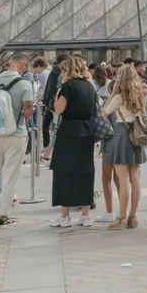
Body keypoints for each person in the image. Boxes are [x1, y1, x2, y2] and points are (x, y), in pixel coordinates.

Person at [0, 53, 35, 228]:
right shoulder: (25, 84)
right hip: (16, 133)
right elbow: (28, 110)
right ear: (24, 66)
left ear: (10, 63)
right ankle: (3, 215)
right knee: (10, 174)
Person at [48, 55, 98, 228]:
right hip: (87, 131)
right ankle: (85, 214)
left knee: (64, 172)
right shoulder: (89, 86)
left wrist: (56, 97)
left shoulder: (68, 86)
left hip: (69, 131)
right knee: (85, 172)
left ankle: (65, 215)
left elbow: (58, 109)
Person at [102, 64, 147, 229]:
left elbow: (104, 113)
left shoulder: (118, 97)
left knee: (123, 180)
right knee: (135, 178)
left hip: (121, 134)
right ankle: (133, 216)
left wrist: (113, 93)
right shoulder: (140, 95)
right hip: (136, 134)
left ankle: (121, 217)